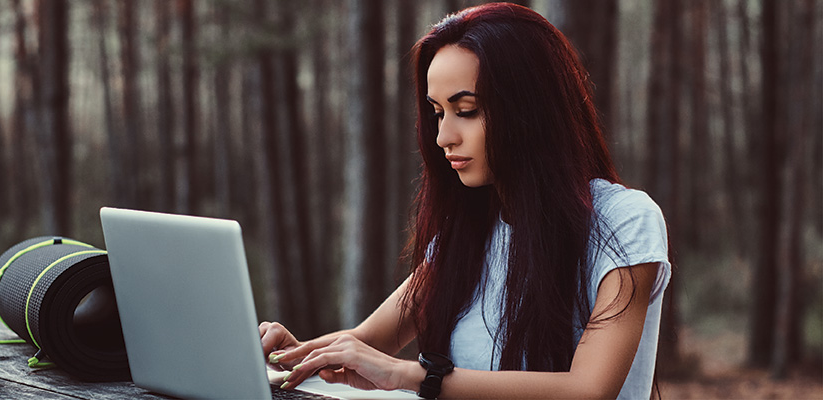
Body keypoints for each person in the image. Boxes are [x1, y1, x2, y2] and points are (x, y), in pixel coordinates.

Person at [259, 3, 671, 399]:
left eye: (467, 110)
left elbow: (589, 389)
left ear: (530, 109)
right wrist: (293, 357)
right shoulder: (468, 231)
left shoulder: (624, 222)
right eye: (438, 112)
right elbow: (368, 341)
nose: (443, 137)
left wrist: (412, 376)